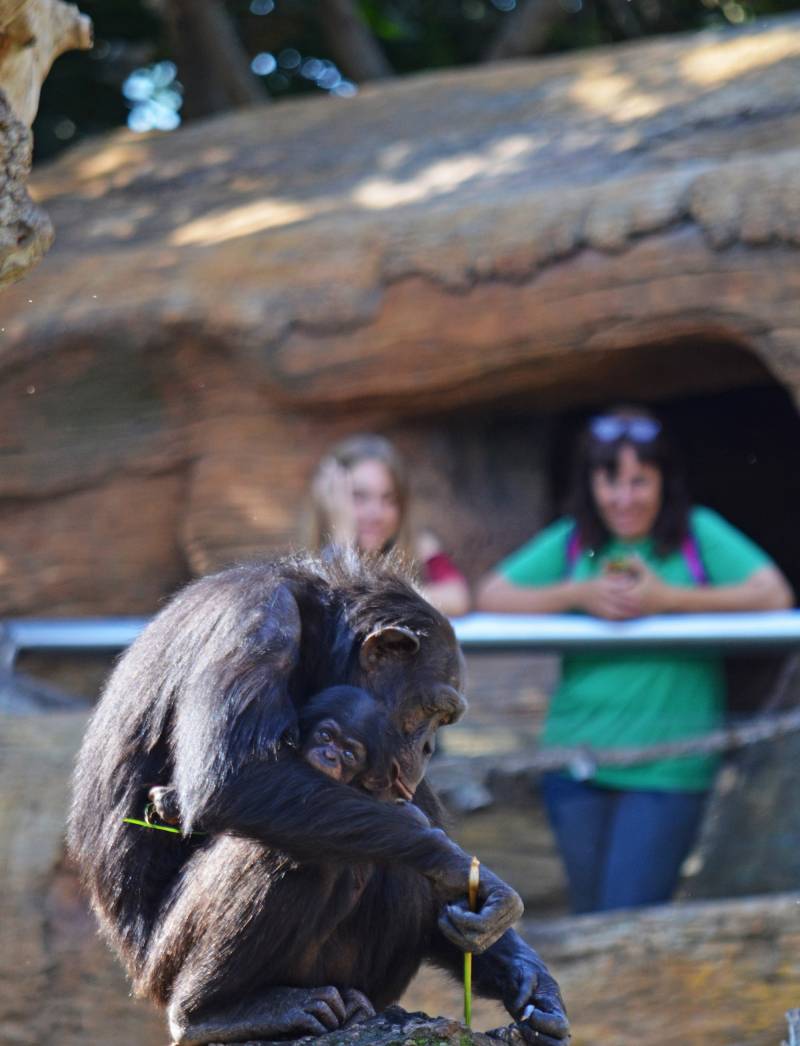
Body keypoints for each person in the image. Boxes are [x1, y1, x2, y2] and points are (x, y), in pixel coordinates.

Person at [476, 406, 793, 914]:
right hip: (575, 761)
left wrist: (670, 601)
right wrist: (579, 592)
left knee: (627, 914)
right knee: (590, 914)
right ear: (591, 484)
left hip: (670, 765)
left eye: (639, 481)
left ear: (664, 481)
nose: (624, 498)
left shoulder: (695, 532)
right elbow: (493, 593)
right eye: (610, 481)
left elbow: (771, 593)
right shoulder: (576, 539)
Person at [309, 433, 470, 617]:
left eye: (389, 499)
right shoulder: (307, 559)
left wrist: (378, 597)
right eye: (359, 496)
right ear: (328, 500)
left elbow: (457, 598)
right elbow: (329, 607)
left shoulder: (418, 546)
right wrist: (341, 542)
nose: (376, 514)